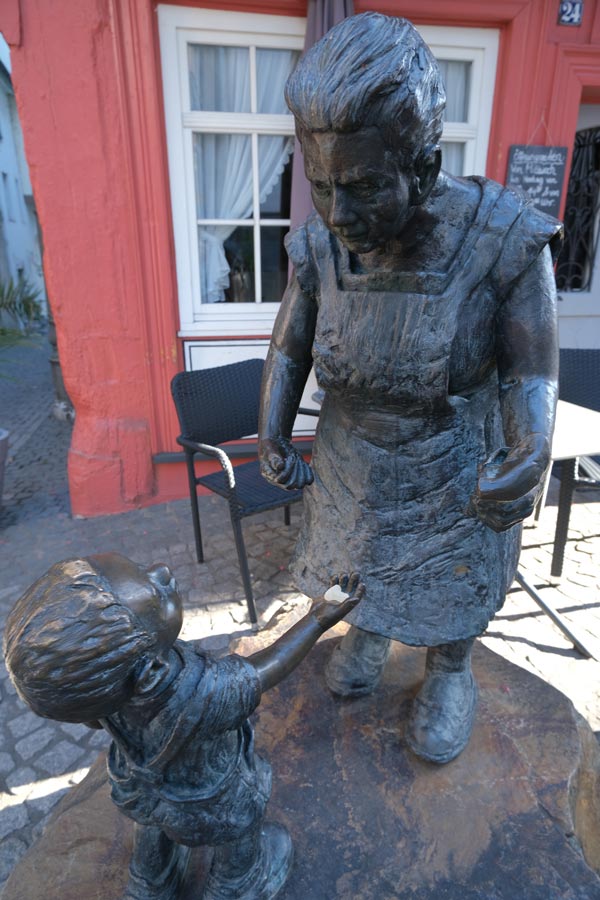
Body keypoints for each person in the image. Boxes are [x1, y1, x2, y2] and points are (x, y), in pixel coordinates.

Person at [258, 12, 561, 765]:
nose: (339, 213)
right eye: (322, 185)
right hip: (354, 458)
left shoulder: (504, 241)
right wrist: (269, 424)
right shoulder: (322, 241)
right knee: (358, 560)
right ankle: (369, 630)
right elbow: (289, 340)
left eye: (363, 187)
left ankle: (449, 670)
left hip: (453, 459)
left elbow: (532, 372)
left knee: (452, 577)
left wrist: (531, 449)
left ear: (423, 164)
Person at [3, 553, 363, 900]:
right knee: (242, 818)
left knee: (153, 826)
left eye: (144, 568)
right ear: (151, 672)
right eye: (156, 592)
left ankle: (150, 883)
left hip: (139, 790)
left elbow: (94, 721)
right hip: (211, 800)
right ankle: (238, 882)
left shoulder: (101, 685)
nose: (162, 570)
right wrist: (318, 618)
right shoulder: (205, 690)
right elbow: (268, 667)